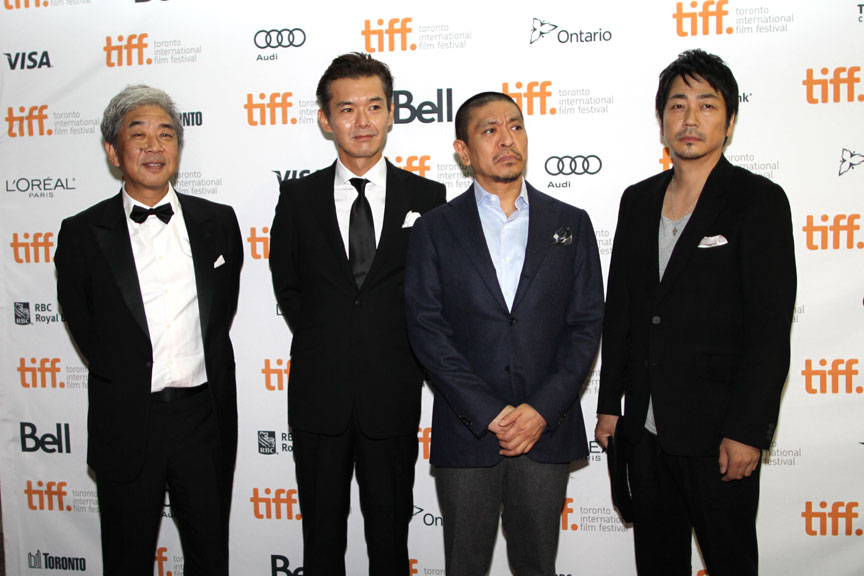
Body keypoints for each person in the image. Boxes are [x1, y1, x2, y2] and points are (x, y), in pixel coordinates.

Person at [595, 49, 796, 576]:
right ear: (661, 119)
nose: (690, 118)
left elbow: (769, 329)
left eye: (707, 105)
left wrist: (748, 430)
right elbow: (622, 311)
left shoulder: (758, 200)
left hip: (719, 434)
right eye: (677, 105)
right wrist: (610, 404)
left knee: (730, 562)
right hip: (645, 429)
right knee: (657, 564)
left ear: (729, 121)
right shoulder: (637, 201)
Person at [404, 91, 604, 576]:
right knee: (465, 566)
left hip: (545, 431)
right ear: (463, 151)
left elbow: (585, 326)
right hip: (467, 431)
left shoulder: (571, 223)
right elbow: (427, 329)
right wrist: (488, 412)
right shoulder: (434, 229)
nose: (506, 139)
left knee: (537, 565)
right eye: (489, 130)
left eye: (515, 126)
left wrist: (541, 410)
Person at [268, 52, 446, 576]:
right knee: (321, 542)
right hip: (318, 398)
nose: (361, 120)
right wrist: (330, 340)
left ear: (391, 113)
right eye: (347, 109)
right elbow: (289, 287)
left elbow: (433, 294)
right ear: (326, 120)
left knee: (390, 542)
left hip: (392, 397)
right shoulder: (297, 198)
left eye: (373, 106)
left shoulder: (428, 197)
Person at [55, 85, 243, 575]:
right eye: (138, 135)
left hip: (203, 419)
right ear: (113, 151)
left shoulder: (219, 222)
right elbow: (86, 326)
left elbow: (221, 313)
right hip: (127, 419)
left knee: (210, 556)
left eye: (166, 134)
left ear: (178, 146)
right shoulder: (81, 234)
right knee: (126, 558)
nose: (154, 146)